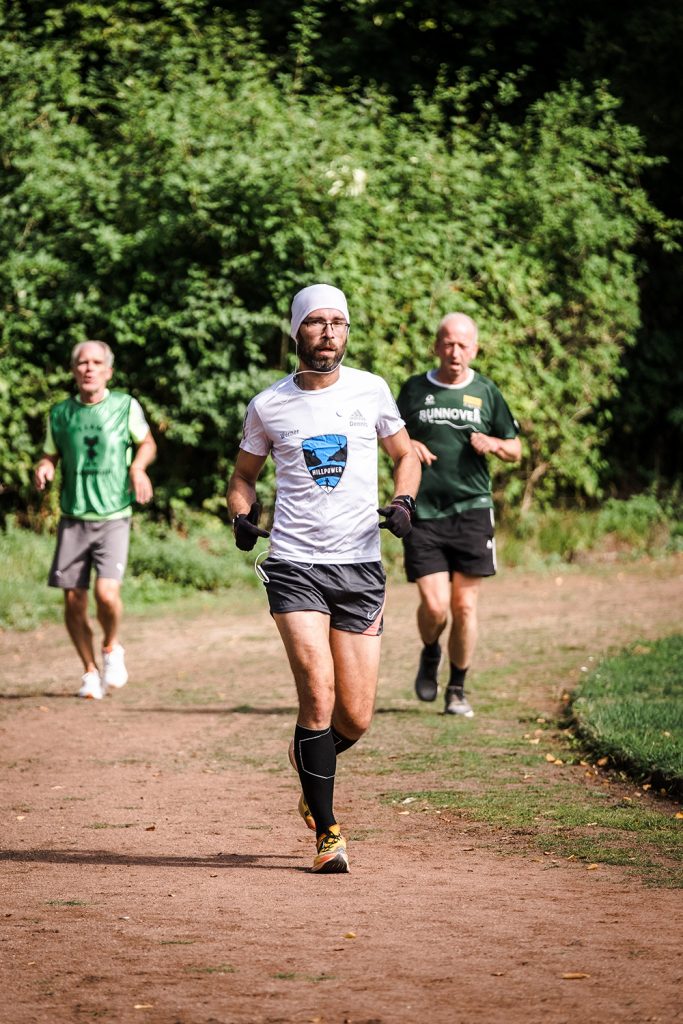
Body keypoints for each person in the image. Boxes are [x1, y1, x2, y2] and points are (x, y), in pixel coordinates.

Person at [227, 284, 420, 874]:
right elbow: (243, 474)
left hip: (360, 566)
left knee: (355, 716)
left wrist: (404, 500)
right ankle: (328, 833)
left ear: (347, 332)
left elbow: (405, 454)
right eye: (316, 322)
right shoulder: (269, 405)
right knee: (318, 692)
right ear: (296, 331)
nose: (329, 332)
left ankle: (309, 760)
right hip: (294, 564)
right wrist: (242, 513)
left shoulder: (372, 390)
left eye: (338, 322)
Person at [396, 313, 521, 717]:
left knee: (465, 606)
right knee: (436, 608)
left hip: (472, 509)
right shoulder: (414, 390)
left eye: (464, 344)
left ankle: (458, 688)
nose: (455, 351)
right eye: (448, 343)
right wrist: (409, 443)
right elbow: (387, 435)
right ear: (436, 346)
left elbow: (516, 449)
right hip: (423, 510)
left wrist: (495, 444)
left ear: (475, 349)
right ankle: (430, 651)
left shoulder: (487, 391)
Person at [34, 340, 156, 701]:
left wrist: (137, 468)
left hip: (114, 515)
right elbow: (50, 454)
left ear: (108, 371)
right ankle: (89, 672)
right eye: (82, 363)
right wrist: (44, 465)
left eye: (96, 362)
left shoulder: (124, 406)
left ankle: (111, 647)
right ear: (74, 371)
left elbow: (147, 443)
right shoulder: (60, 414)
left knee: (106, 593)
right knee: (73, 600)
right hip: (73, 516)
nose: (89, 368)